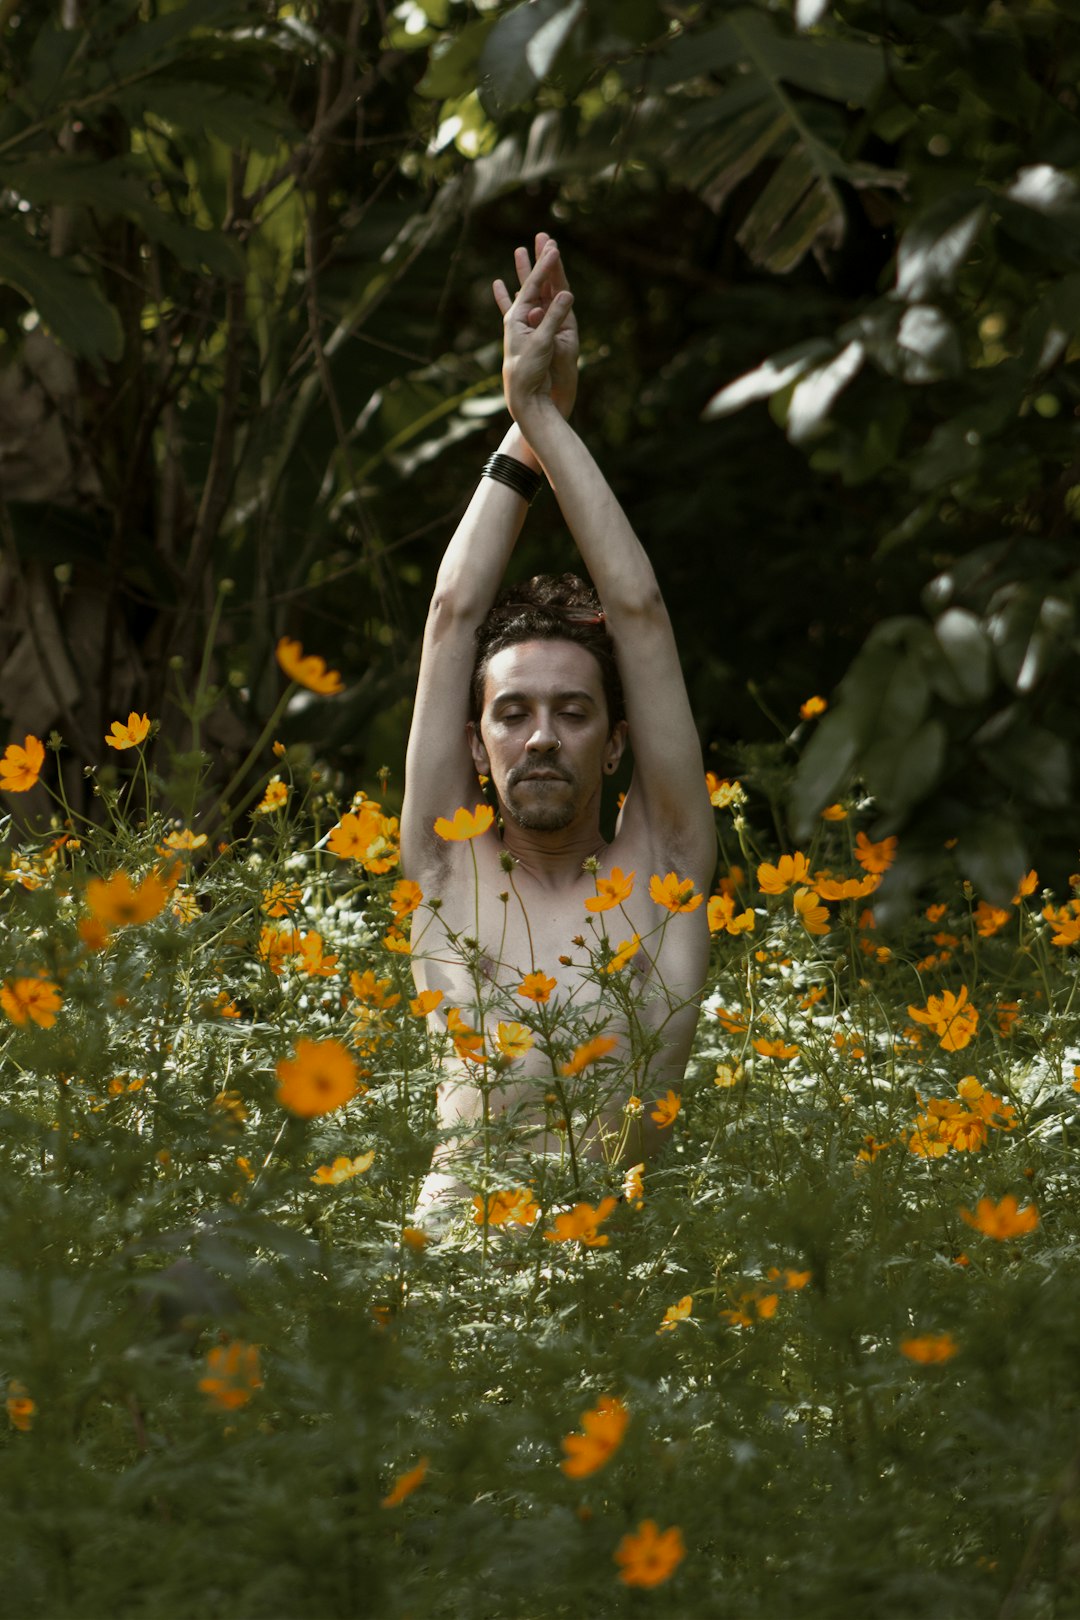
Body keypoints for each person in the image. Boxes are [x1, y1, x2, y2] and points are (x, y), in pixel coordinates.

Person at [400, 236, 715, 1217]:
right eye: (513, 712)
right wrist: (523, 434)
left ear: (615, 744)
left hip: (620, 1297)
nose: (540, 735)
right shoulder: (449, 873)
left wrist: (544, 417)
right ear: (473, 744)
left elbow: (642, 615)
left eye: (574, 712)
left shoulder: (660, 878)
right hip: (455, 1287)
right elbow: (452, 613)